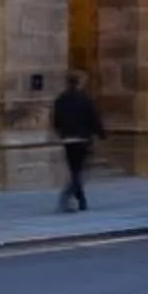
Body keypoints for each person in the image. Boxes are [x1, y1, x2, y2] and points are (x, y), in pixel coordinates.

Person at [50, 70, 103, 212]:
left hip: (67, 139)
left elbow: (56, 120)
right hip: (82, 138)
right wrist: (101, 134)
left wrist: (61, 132)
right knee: (79, 171)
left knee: (74, 169)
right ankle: (65, 198)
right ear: (79, 83)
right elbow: (93, 118)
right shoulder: (85, 99)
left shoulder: (60, 99)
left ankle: (82, 200)